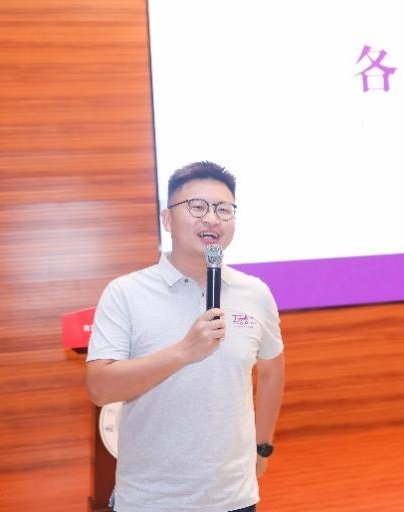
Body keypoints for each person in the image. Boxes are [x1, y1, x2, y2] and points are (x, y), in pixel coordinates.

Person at [85, 161, 285, 512]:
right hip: (149, 500)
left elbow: (272, 371)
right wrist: (183, 352)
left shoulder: (255, 293)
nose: (212, 219)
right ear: (167, 219)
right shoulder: (126, 293)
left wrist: (262, 447)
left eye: (223, 209)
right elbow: (100, 387)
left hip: (234, 499)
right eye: (197, 207)